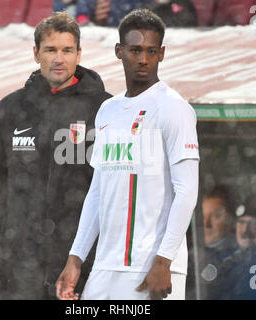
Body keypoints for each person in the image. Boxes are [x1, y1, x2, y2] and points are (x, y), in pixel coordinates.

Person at [0, 11, 111, 299]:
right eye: (51, 50)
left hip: (82, 262)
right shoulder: (11, 109)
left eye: (67, 50)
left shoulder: (105, 110)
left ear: (79, 54)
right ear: (35, 53)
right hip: (20, 262)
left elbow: (115, 189)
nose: (59, 58)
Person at [56, 8, 200, 300]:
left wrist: (164, 261)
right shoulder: (107, 110)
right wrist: (75, 257)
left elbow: (187, 192)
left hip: (152, 265)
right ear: (119, 51)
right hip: (105, 267)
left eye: (151, 51)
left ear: (162, 54)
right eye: (135, 50)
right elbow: (98, 190)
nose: (143, 59)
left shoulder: (174, 109)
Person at [198, 184, 238, 299]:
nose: (206, 224)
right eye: (203, 216)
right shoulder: (190, 255)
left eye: (216, 216)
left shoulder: (238, 258)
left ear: (231, 220)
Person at [76, 0, 153, 26]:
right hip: (105, 37)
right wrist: (94, 24)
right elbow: (81, 17)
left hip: (134, 31)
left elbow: (154, 10)